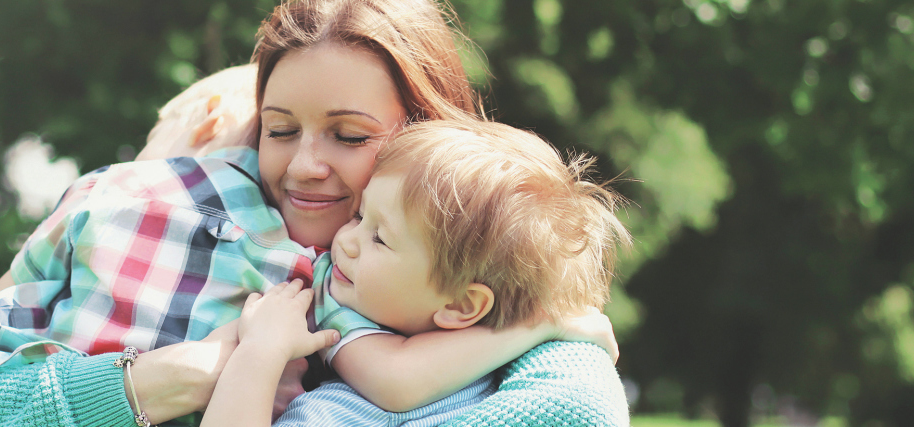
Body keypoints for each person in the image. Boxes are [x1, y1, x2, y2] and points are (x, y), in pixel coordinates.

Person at [0, 0, 627, 425]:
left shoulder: (495, 254)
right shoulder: (140, 212)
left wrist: (543, 324)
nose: (304, 166)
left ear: (429, 136)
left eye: (351, 136)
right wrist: (165, 379)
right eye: (279, 129)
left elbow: (577, 410)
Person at [200, 119, 631, 427]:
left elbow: (398, 381)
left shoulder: (517, 380)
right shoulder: (338, 294)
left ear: (462, 304)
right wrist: (543, 324)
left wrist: (259, 351)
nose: (345, 241)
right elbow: (397, 380)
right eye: (360, 215)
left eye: (379, 238)